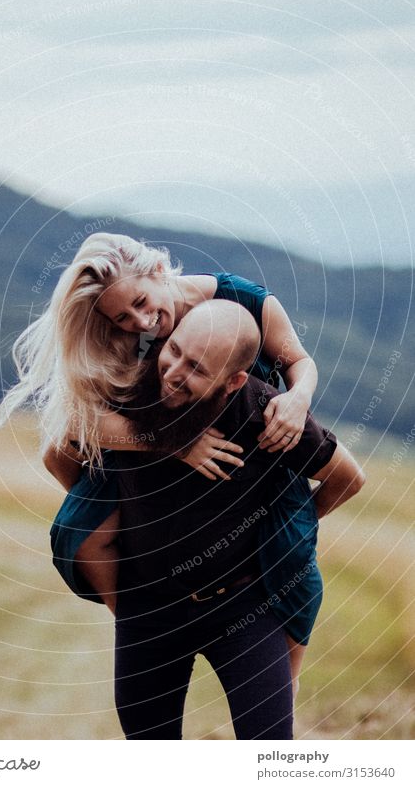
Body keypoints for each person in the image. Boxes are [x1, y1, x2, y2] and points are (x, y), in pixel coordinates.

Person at [0, 232, 322, 691]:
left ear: (159, 271)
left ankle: (276, 714)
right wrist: (168, 460)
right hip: (159, 449)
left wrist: (298, 400)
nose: (142, 321)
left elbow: (300, 362)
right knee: (78, 528)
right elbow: (75, 429)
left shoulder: (244, 301)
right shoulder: (142, 341)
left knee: (292, 565)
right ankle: (139, 622)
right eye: (122, 317)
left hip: (254, 447)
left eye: (142, 302)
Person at [112, 300, 365, 740]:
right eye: (174, 351)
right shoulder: (133, 385)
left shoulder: (265, 412)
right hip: (148, 608)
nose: (174, 373)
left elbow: (348, 477)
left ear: (233, 381)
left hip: (243, 607)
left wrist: (287, 525)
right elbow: (66, 437)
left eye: (197, 368)